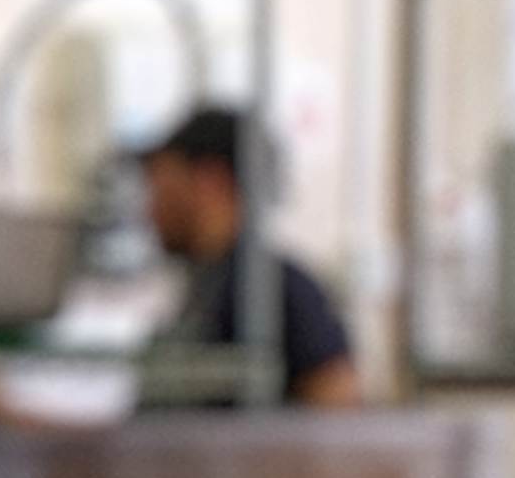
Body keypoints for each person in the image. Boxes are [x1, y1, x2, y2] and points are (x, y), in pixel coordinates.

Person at [140, 106, 363, 407]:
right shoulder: (207, 286)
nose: (150, 210)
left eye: (162, 187)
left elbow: (336, 404)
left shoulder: (279, 289)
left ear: (210, 182)